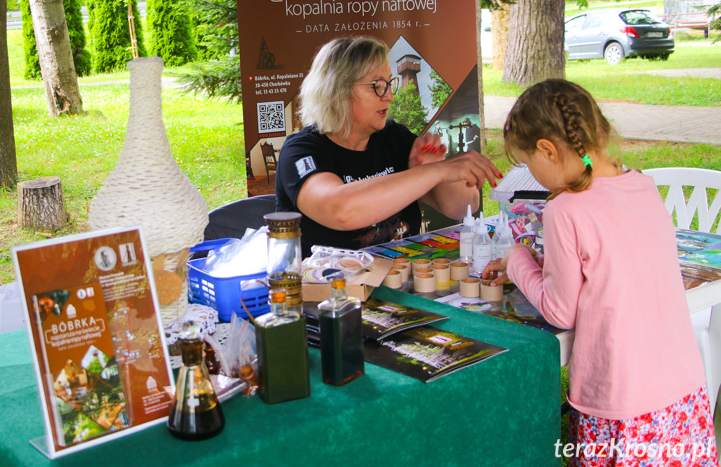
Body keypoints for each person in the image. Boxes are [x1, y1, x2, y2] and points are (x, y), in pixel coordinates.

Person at [482, 79, 717, 466]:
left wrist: (517, 257)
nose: (530, 175)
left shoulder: (566, 209)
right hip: (681, 392)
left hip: (620, 400)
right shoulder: (643, 185)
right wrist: (538, 264)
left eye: (527, 164)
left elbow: (560, 311)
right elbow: (610, 268)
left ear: (547, 150)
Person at [274, 35, 501, 255]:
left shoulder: (394, 137)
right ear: (337, 91)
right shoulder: (301, 151)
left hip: (399, 280)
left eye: (390, 83)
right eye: (378, 85)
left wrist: (432, 171)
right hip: (332, 288)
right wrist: (435, 171)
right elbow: (339, 210)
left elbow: (462, 208)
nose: (390, 96)